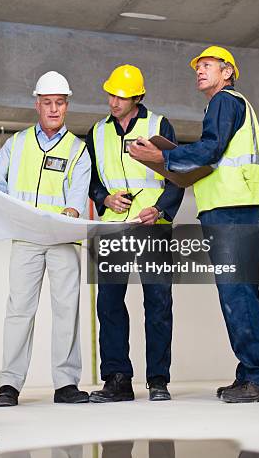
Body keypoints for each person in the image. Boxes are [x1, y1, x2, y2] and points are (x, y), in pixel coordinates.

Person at [129, 47, 259, 403]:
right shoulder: (224, 104)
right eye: (198, 67)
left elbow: (211, 150)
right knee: (239, 291)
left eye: (208, 66)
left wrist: (162, 156)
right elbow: (213, 155)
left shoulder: (225, 102)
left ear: (227, 72)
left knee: (236, 292)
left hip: (233, 206)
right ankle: (250, 372)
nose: (200, 71)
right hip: (229, 205)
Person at [0, 71, 91, 406]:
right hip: (25, 238)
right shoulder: (16, 144)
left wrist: (69, 215)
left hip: (63, 240)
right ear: (37, 104)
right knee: (19, 309)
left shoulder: (78, 150)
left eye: (60, 103)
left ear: (66, 106)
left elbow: (77, 200)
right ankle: (9, 385)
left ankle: (66, 384)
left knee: (67, 310)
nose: (54, 109)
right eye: (48, 103)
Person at [86, 65, 184, 402]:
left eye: (121, 96)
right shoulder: (97, 132)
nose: (113, 101)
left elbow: (177, 174)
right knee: (109, 303)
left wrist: (159, 210)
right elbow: (92, 179)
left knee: (157, 302)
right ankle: (117, 380)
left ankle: (158, 380)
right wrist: (104, 198)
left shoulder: (158, 125)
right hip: (113, 226)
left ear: (138, 97)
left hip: (152, 225)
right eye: (111, 94)